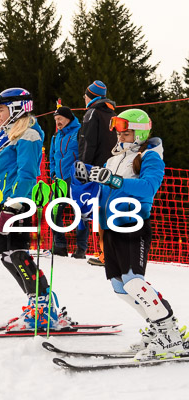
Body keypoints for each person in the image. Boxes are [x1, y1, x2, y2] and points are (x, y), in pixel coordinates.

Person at [72, 109, 186, 360]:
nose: (121, 136)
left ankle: (170, 334)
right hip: (110, 225)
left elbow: (148, 187)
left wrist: (113, 180)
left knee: (134, 280)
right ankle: (158, 329)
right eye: (119, 131)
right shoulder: (114, 158)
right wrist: (86, 178)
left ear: (140, 132)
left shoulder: (150, 157)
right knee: (119, 286)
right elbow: (103, 185)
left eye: (126, 131)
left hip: (133, 224)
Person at [0, 88, 72, 331]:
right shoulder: (5, 138)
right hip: (2, 204)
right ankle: (37, 303)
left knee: (19, 254)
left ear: (16, 109)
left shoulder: (28, 135)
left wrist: (15, 205)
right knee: (7, 256)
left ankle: (44, 308)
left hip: (17, 205)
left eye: (1, 109)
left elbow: (27, 174)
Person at [77, 80, 117, 266]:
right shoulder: (111, 113)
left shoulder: (92, 112)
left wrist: (83, 166)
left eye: (85, 95)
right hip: (113, 167)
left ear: (91, 96)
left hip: (97, 170)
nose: (84, 98)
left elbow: (87, 141)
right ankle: (113, 253)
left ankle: (106, 254)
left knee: (101, 211)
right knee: (110, 209)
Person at [49, 105, 88, 258]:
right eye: (56, 119)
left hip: (75, 178)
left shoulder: (79, 132)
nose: (58, 122)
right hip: (59, 179)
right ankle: (60, 245)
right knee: (53, 212)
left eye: (60, 119)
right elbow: (53, 156)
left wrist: (80, 172)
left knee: (79, 212)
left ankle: (81, 248)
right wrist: (53, 172)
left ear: (69, 118)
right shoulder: (56, 136)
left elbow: (84, 153)